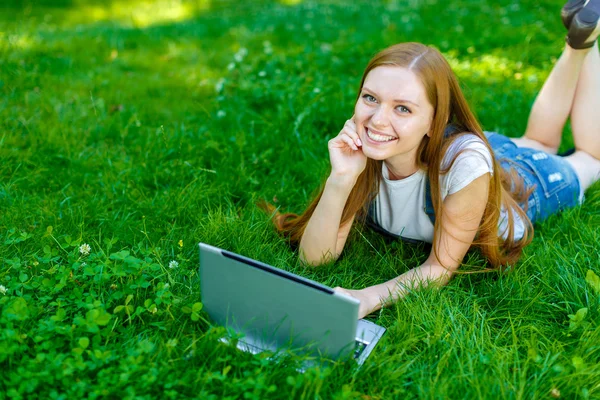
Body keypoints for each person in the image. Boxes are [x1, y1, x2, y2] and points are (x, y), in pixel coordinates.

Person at [264, 0, 600, 319]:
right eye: (370, 98)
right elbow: (315, 261)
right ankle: (576, 43)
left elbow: (439, 268)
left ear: (433, 121)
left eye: (403, 108)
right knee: (537, 140)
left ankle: (588, 43)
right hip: (478, 153)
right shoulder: (363, 151)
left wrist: (367, 296)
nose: (378, 120)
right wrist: (340, 180)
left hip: (525, 184)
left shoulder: (464, 167)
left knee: (590, 156)